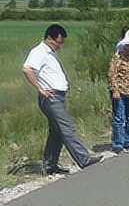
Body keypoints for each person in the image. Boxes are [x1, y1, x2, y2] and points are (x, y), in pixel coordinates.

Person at [22, 24, 104, 174]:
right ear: (49, 38)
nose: (60, 46)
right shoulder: (39, 52)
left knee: (56, 132)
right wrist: (40, 89)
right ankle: (83, 159)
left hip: (57, 96)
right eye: (58, 42)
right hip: (50, 97)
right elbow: (27, 69)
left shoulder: (50, 53)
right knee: (67, 127)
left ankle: (49, 165)